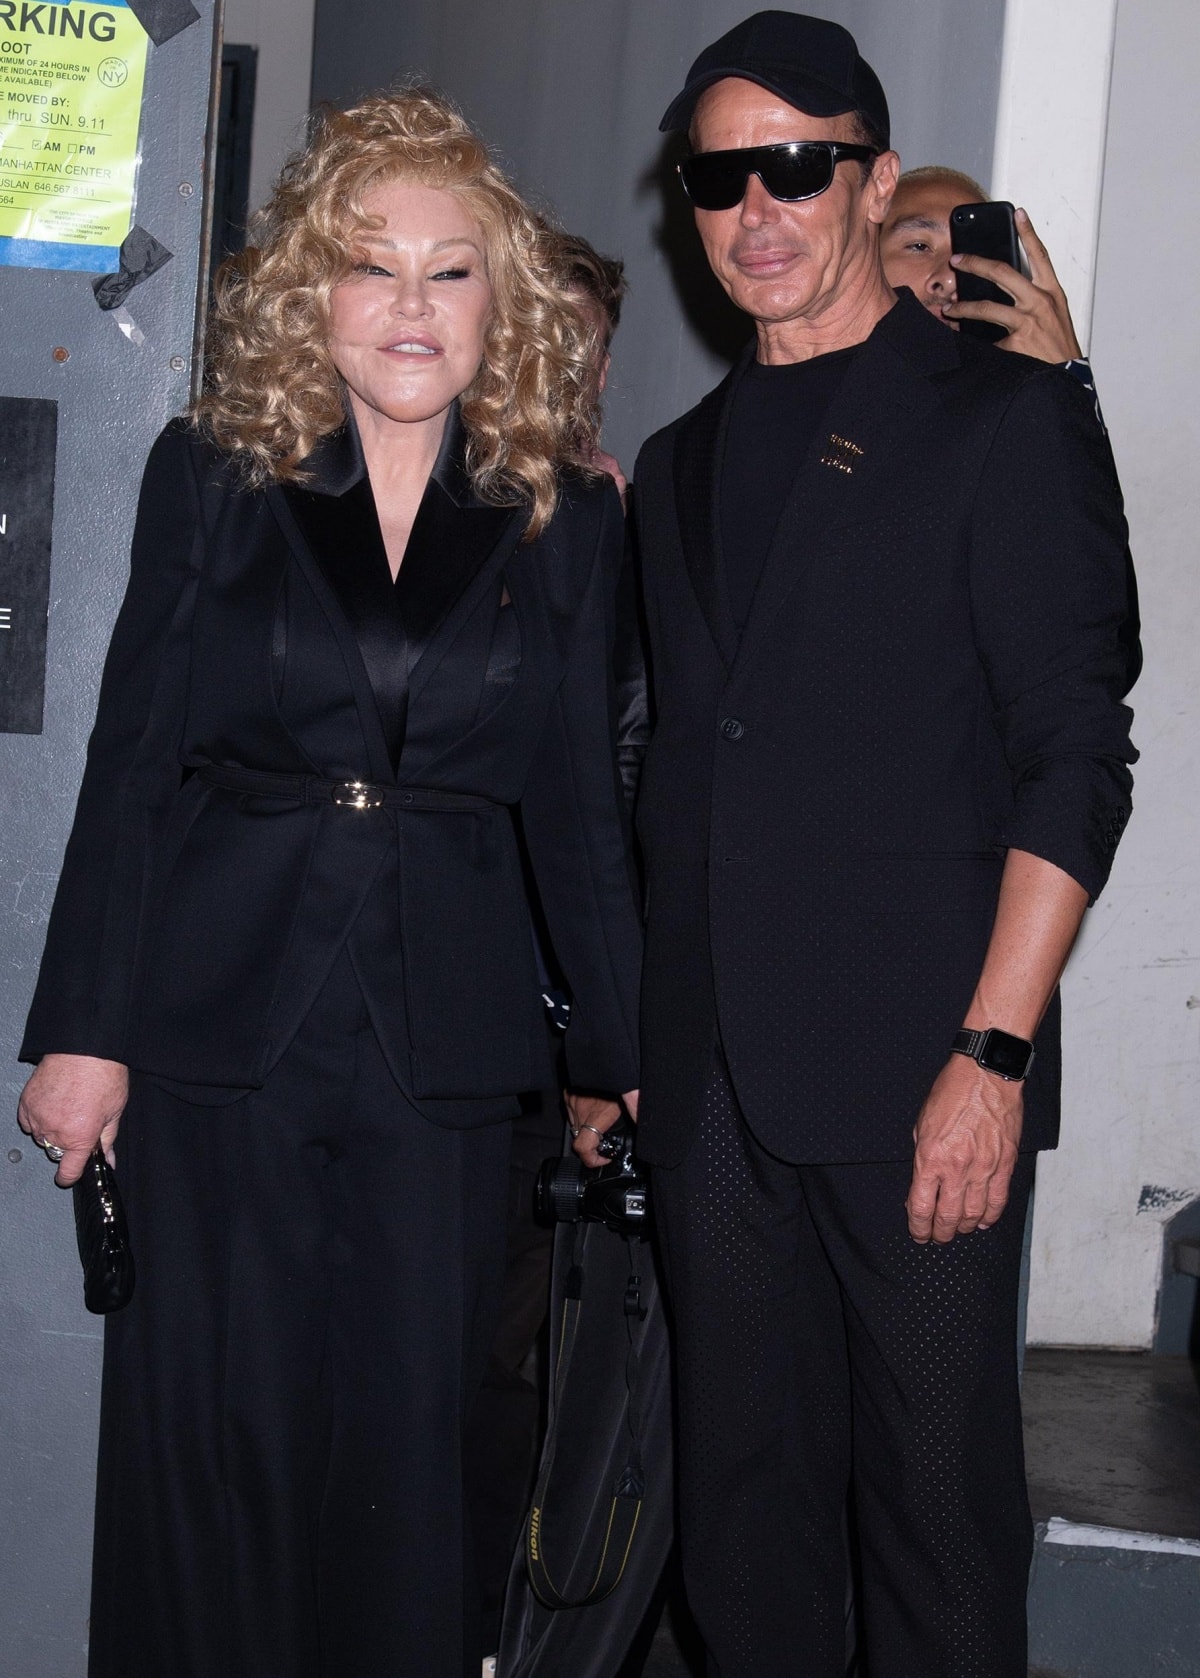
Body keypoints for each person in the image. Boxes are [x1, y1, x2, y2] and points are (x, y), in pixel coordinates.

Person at [16, 87, 642, 1678]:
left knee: (414, 1448)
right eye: (376, 267)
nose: (414, 307)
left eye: (452, 270)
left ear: (503, 301)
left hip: (445, 1043)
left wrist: (615, 1060)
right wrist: (81, 1029)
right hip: (221, 1021)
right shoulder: (212, 471)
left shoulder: (562, 520)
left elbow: (574, 799)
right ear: (313, 289)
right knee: (211, 1434)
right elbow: (133, 758)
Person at [576, 12, 1139, 1677]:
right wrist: (622, 1046)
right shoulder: (674, 473)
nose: (759, 206)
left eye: (801, 166)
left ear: (872, 179)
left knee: (937, 1536)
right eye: (722, 174)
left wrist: (993, 1049)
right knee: (742, 1531)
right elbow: (664, 773)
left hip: (919, 1086)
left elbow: (1074, 758)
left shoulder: (996, 419)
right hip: (710, 1091)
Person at [464, 225, 632, 1675]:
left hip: (559, 1018)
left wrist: (604, 1036)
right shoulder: (438, 506)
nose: (560, 370)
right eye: (543, 334)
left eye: (587, 346)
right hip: (452, 1002)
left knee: (519, 1355)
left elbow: (606, 784)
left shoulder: (612, 523)